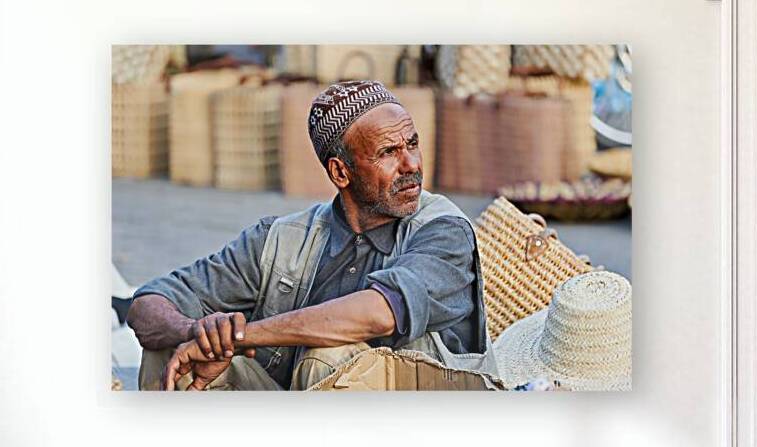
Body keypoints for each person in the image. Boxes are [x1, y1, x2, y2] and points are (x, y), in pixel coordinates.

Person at [128, 80, 497, 391]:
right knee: (175, 351)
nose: (411, 165)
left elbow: (380, 313)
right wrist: (201, 333)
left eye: (412, 144)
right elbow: (148, 302)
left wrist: (242, 335)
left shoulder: (444, 229)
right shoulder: (281, 238)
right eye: (389, 152)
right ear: (340, 173)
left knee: (331, 359)